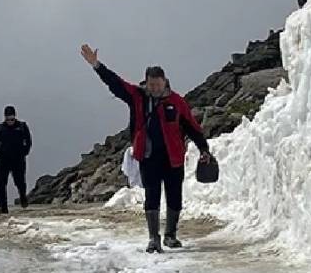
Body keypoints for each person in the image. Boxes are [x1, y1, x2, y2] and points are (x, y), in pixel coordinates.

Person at [80, 43, 212, 253]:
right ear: (147, 82)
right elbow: (115, 83)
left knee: (174, 195)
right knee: (152, 196)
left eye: (158, 84)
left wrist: (204, 148)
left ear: (165, 82)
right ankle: (154, 238)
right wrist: (96, 65)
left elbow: (191, 126)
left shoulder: (177, 101)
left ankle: (170, 235)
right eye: (151, 84)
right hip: (149, 157)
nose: (155, 88)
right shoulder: (137, 97)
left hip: (173, 157)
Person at [0, 106, 32, 214]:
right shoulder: (0, 128)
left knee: (20, 182)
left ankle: (23, 197)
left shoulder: (22, 126)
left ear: (15, 117)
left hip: (18, 160)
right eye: (7, 119)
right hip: (3, 160)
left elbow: (28, 141)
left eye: (11, 119)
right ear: (4, 118)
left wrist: (25, 152)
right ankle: (3, 207)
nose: (10, 122)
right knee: (1, 183)